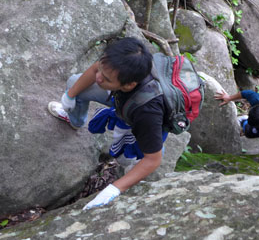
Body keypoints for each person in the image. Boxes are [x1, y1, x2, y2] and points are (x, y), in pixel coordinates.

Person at [47, 37, 169, 210]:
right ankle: (75, 120)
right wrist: (70, 95)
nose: (98, 78)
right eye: (101, 71)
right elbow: (97, 68)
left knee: (136, 155)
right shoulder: (116, 63)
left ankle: (135, 167)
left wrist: (115, 188)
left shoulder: (147, 112)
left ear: (128, 85)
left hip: (140, 113)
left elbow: (154, 159)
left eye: (106, 79)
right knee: (75, 82)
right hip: (122, 98)